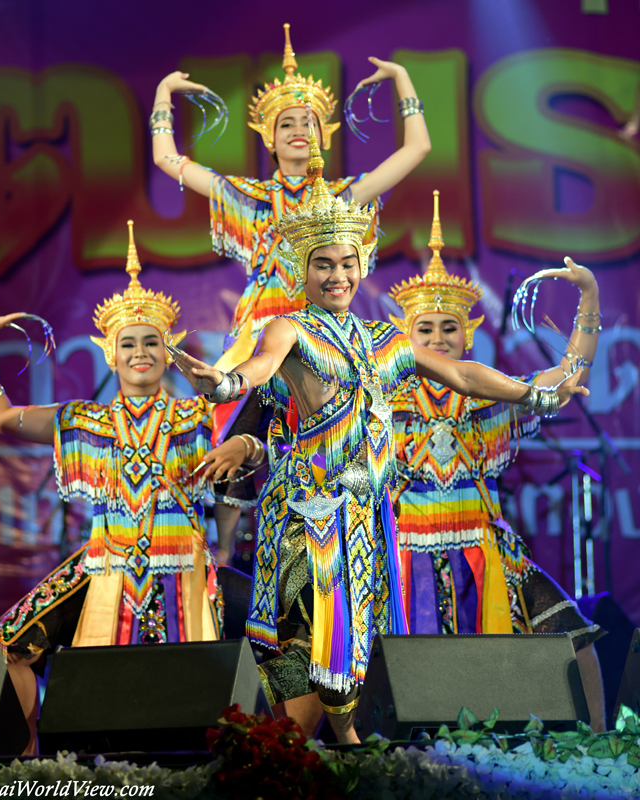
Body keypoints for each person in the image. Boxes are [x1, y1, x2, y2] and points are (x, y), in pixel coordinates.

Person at [169, 123, 589, 743]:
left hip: (367, 514)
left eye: (346, 263)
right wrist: (219, 386)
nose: (336, 276)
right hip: (308, 507)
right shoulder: (290, 330)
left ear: (361, 265)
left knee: (351, 636)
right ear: (300, 268)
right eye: (322, 265)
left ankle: (328, 750)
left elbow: (463, 373)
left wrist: (535, 392)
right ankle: (325, 747)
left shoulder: (388, 340)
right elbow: (253, 373)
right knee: (298, 633)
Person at [0, 222, 249, 753]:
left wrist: (243, 444)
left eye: (153, 342)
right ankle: (34, 760)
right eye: (129, 343)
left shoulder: (197, 414)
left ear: (169, 353)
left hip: (184, 565)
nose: (141, 352)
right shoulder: (83, 421)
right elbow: (2, 419)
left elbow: (262, 440)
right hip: (103, 565)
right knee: (9, 643)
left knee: (196, 694)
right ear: (109, 353)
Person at [388, 191, 606, 731]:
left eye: (449, 328)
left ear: (468, 334)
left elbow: (570, 371)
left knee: (571, 635)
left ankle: (601, 747)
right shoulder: (379, 404)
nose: (438, 338)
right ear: (406, 338)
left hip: (487, 549)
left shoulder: (494, 396)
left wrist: (590, 296)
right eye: (426, 330)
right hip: (403, 553)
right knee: (353, 659)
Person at [152, 24, 431, 373]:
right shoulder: (246, 196)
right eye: (286, 124)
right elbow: (165, 159)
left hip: (324, 325)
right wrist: (164, 92)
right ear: (269, 139)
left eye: (307, 122)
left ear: (324, 136)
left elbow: (418, 147)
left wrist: (402, 78)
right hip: (260, 329)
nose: (298, 130)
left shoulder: (343, 197)